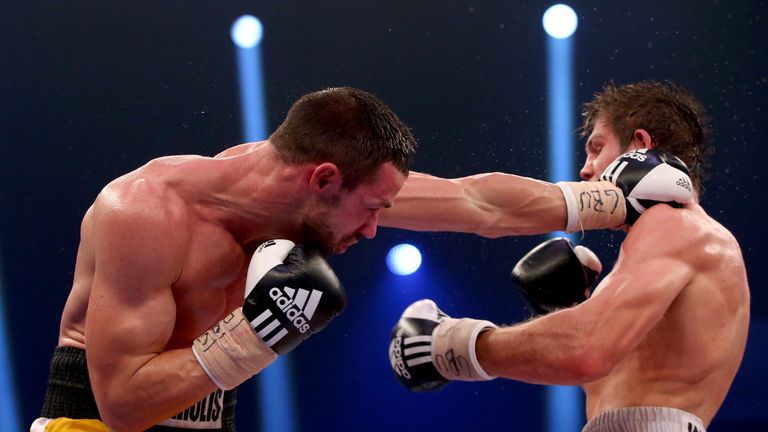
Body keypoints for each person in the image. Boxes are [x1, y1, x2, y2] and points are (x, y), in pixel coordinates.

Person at [34, 87, 417, 432]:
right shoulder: (147, 211)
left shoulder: (309, 185)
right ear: (323, 180)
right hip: (94, 420)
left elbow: (473, 202)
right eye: (371, 209)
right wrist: (254, 335)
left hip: (211, 415)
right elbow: (123, 407)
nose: (372, 230)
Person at [388, 81, 750, 431]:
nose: (586, 168)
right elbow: (607, 387)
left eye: (596, 147)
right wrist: (569, 311)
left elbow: (584, 351)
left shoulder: (678, 226)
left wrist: (451, 344)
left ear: (639, 144)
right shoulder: (675, 248)